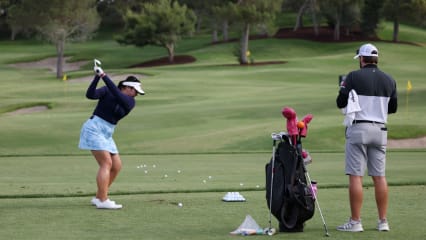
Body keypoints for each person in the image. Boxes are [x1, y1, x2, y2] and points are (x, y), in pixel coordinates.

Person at [336, 43, 398, 232]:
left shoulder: (353, 76)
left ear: (362, 59)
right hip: (380, 130)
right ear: (376, 59)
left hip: (359, 129)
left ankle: (355, 222)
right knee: (379, 177)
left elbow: (340, 101)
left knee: (356, 176)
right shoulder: (390, 80)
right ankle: (383, 222)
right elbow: (393, 108)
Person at [79, 63, 144, 209]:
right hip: (94, 128)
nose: (136, 94)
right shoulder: (108, 90)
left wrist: (104, 76)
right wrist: (97, 77)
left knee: (117, 166)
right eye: (135, 91)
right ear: (127, 87)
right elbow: (90, 95)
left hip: (107, 132)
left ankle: (99, 196)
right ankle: (103, 200)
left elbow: (117, 95)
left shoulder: (130, 102)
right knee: (106, 163)